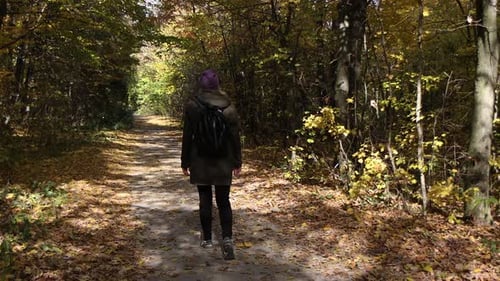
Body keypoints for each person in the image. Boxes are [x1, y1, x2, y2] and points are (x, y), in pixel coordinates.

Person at [181, 69, 242, 260]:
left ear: (201, 85)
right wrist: (237, 161)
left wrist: (185, 161)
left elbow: (187, 136)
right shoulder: (229, 107)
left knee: (205, 198)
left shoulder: (192, 106)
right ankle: (227, 239)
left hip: (200, 159)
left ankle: (207, 238)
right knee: (224, 201)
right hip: (224, 160)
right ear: (217, 85)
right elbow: (235, 137)